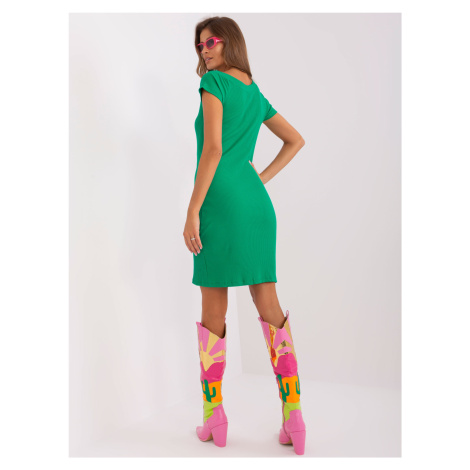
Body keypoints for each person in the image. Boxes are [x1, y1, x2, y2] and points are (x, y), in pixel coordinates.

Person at [183, 16, 306, 455]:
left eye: (212, 41)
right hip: (256, 207)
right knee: (270, 307)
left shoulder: (214, 82)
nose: (205, 50)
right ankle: (294, 417)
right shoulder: (253, 91)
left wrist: (193, 210)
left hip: (219, 202)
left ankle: (213, 415)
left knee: (213, 309)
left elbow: (213, 149)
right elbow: (295, 140)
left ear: (229, 42)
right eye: (200, 45)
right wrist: (259, 181)